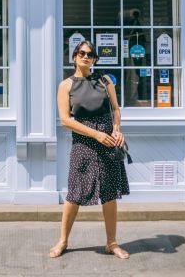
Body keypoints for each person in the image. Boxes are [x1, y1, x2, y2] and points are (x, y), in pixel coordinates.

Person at [49, 40, 130, 260]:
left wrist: (117, 129)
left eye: (91, 54)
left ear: (94, 59)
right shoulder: (66, 85)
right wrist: (95, 134)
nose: (86, 56)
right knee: (75, 194)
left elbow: (115, 108)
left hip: (108, 141)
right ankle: (63, 240)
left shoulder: (104, 81)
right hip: (84, 143)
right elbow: (65, 120)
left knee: (109, 194)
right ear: (75, 56)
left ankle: (112, 243)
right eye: (82, 53)